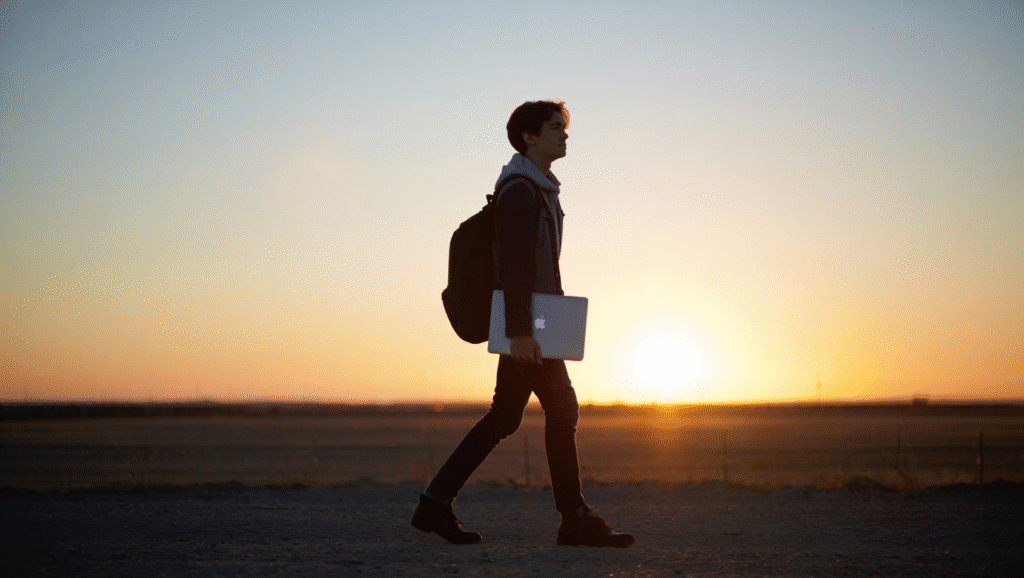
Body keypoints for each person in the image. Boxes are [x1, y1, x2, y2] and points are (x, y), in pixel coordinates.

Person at [411, 100, 635, 547]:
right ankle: (574, 517)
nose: (564, 135)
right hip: (529, 321)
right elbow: (514, 267)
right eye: (555, 128)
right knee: (563, 409)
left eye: (563, 128)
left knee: (505, 416)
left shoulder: (538, 188)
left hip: (535, 317)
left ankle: (434, 504)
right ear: (529, 137)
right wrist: (520, 333)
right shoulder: (520, 191)